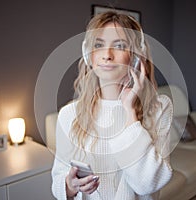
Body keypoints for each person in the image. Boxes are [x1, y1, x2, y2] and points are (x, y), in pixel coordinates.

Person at [51, 11, 173, 200]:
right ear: (88, 55)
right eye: (99, 45)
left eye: (119, 46)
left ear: (135, 57)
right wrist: (69, 186)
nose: (107, 55)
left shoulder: (159, 108)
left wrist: (129, 111)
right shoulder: (69, 115)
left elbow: (147, 183)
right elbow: (58, 178)